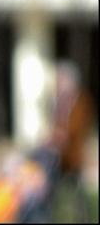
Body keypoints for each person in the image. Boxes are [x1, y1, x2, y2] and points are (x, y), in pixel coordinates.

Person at [45, 61, 94, 222]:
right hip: (59, 157)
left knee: (78, 192)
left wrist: (62, 134)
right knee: (54, 190)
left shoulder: (81, 101)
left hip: (73, 156)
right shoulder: (58, 102)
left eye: (61, 80)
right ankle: (51, 217)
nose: (58, 83)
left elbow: (77, 127)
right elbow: (56, 125)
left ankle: (84, 218)